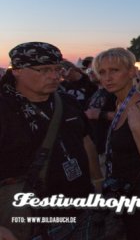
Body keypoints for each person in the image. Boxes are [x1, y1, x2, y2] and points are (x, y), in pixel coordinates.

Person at [0, 42, 102, 240]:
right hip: (33, 221)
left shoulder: (67, 101)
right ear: (17, 71)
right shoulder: (5, 109)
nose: (55, 76)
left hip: (82, 207)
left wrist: (97, 183)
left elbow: (86, 142)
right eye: (44, 70)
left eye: (57, 69)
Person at [93, 47, 140, 239]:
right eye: (102, 72)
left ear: (132, 72)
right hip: (127, 192)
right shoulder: (119, 103)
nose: (107, 77)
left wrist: (137, 129)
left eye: (114, 71)